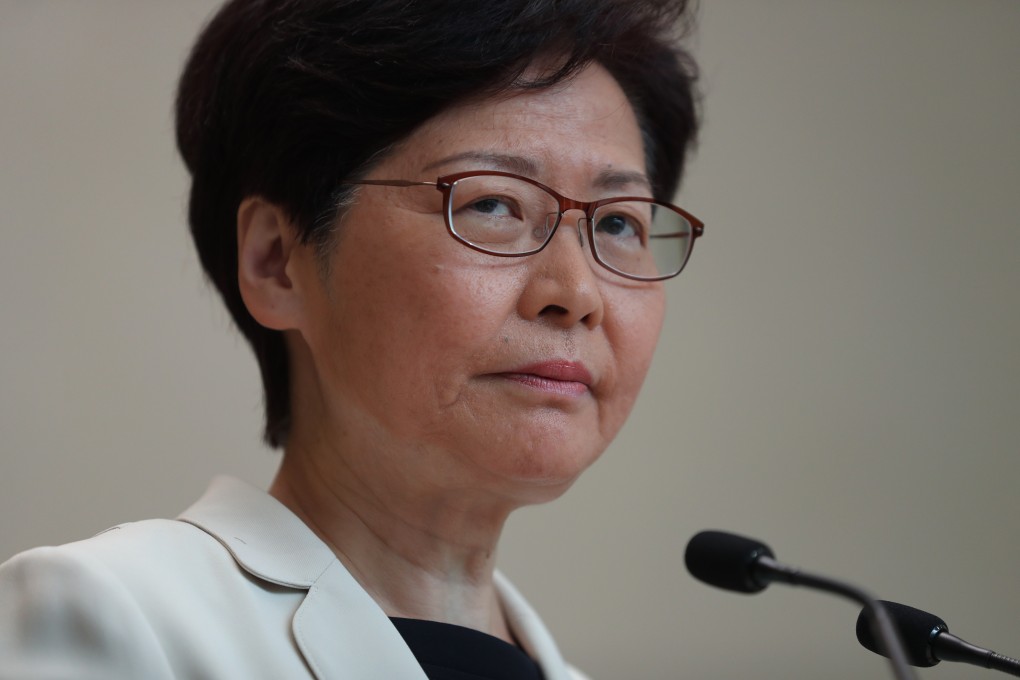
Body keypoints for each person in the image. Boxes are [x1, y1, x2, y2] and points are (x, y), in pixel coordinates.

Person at [0, 0, 701, 678]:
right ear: (276, 261)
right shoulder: (114, 620)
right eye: (492, 204)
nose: (575, 295)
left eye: (618, 224)